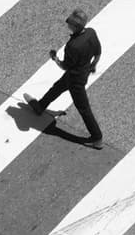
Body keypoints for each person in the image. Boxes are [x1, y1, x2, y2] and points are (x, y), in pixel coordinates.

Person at [26, 8, 104, 149]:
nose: (67, 24)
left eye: (69, 22)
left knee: (84, 108)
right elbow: (98, 52)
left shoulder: (73, 46)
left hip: (75, 79)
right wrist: (93, 65)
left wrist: (55, 58)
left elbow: (65, 66)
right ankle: (40, 106)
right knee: (57, 87)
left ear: (75, 27)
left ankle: (97, 138)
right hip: (82, 72)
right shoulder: (91, 32)